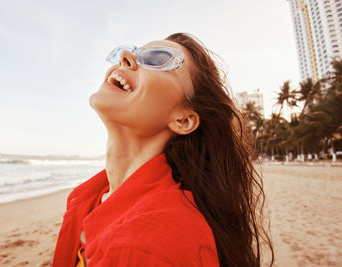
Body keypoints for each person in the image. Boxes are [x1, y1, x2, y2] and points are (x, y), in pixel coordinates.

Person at [53, 33, 273, 267]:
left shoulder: (150, 249)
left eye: (157, 59)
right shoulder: (88, 198)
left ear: (184, 120)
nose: (125, 57)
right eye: (134, 51)